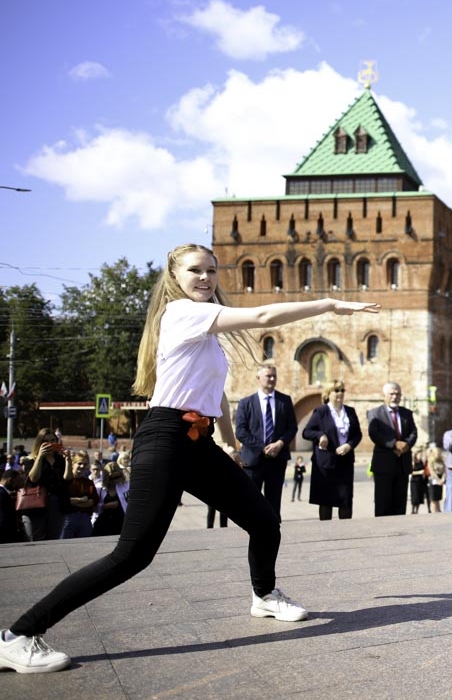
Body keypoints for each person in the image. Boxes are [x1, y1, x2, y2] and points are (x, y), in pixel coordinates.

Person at [0, 243, 379, 674]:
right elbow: (261, 317)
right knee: (131, 556)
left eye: (212, 271)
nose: (205, 278)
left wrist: (230, 443)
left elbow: (214, 394)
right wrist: (329, 304)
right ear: (175, 277)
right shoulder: (182, 313)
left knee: (263, 520)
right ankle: (18, 635)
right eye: (195, 270)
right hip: (165, 440)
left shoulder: (207, 335)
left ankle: (265, 596)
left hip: (198, 440)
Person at [235, 364, 297, 518]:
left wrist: (280, 443)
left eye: (274, 376)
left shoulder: (285, 401)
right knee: (251, 502)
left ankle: (273, 535)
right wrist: (263, 448)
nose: (272, 379)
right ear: (258, 378)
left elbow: (292, 427)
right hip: (253, 461)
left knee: (274, 503)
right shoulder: (246, 403)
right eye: (268, 376)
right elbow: (241, 432)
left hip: (277, 459)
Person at [303, 380, 362, 520]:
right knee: (326, 500)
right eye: (336, 390)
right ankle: (326, 532)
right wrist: (320, 435)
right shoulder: (321, 411)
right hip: (325, 463)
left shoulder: (350, 411)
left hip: (345, 462)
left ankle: (346, 531)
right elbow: (306, 432)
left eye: (342, 390)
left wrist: (349, 445)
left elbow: (358, 434)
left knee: (346, 500)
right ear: (328, 394)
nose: (340, 393)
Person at [366, 383, 419, 516]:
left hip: (402, 464)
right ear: (384, 395)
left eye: (398, 394)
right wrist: (394, 444)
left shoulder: (407, 413)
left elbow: (413, 432)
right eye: (392, 394)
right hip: (384, 465)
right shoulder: (375, 413)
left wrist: (406, 445)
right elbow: (374, 434)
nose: (395, 397)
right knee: (383, 504)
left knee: (400, 504)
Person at [20, 429, 67, 542]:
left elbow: (67, 480)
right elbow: (33, 479)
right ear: (39, 443)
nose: (50, 444)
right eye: (45, 441)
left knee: (53, 538)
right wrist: (40, 457)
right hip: (37, 503)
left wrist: (68, 460)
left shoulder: (60, 460)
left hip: (56, 502)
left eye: (53, 440)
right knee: (35, 538)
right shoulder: (31, 460)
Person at [60, 453, 98, 539]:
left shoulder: (89, 483)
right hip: (68, 518)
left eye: (85, 464)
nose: (82, 466)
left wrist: (73, 502)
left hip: (85, 519)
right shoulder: (65, 481)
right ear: (73, 464)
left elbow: (93, 501)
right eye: (79, 463)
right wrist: (81, 499)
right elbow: (64, 500)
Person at [91, 457, 130, 538]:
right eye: (112, 478)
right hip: (104, 523)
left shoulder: (126, 485)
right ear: (106, 478)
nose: (115, 480)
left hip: (122, 522)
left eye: (117, 477)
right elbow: (94, 507)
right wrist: (105, 506)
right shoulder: (100, 488)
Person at [426, 445, 446, 513]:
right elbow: (432, 472)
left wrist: (443, 478)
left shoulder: (441, 461)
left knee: (438, 497)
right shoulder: (431, 461)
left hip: (441, 479)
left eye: (439, 453)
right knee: (433, 498)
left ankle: (438, 510)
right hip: (434, 480)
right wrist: (438, 480)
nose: (438, 455)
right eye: (436, 453)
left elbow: (444, 470)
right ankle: (434, 511)